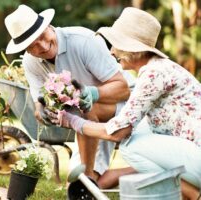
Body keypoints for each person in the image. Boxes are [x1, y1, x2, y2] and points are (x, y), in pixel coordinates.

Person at [46, 7, 201, 199]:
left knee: (130, 145)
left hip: (197, 155)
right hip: (192, 150)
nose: (111, 52)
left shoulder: (153, 74)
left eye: (116, 44)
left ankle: (193, 195)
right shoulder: (157, 69)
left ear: (131, 48)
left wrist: (73, 122)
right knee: (138, 133)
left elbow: (119, 132)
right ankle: (188, 192)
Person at [4, 4, 138, 188]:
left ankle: (88, 179)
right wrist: (42, 111)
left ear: (48, 26)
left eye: (42, 36)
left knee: (84, 110)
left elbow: (124, 88)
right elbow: (38, 104)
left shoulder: (83, 41)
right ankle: (141, 173)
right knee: (74, 185)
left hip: (128, 105)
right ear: (26, 50)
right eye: (33, 46)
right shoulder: (31, 63)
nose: (42, 46)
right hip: (89, 119)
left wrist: (92, 93)